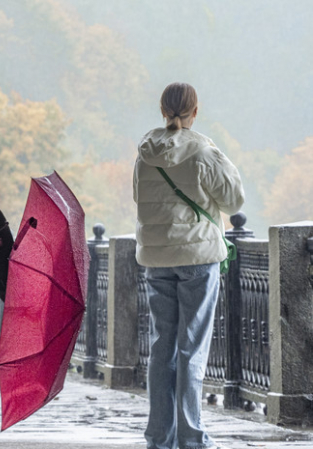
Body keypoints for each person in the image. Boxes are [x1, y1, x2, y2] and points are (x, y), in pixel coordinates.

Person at [133, 82, 244, 449]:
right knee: (191, 349)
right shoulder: (202, 150)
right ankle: (192, 437)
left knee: (162, 347)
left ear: (163, 110)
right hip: (197, 259)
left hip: (157, 259)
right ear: (194, 112)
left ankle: (158, 438)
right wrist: (219, 155)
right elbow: (234, 200)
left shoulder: (145, 153)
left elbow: (139, 196)